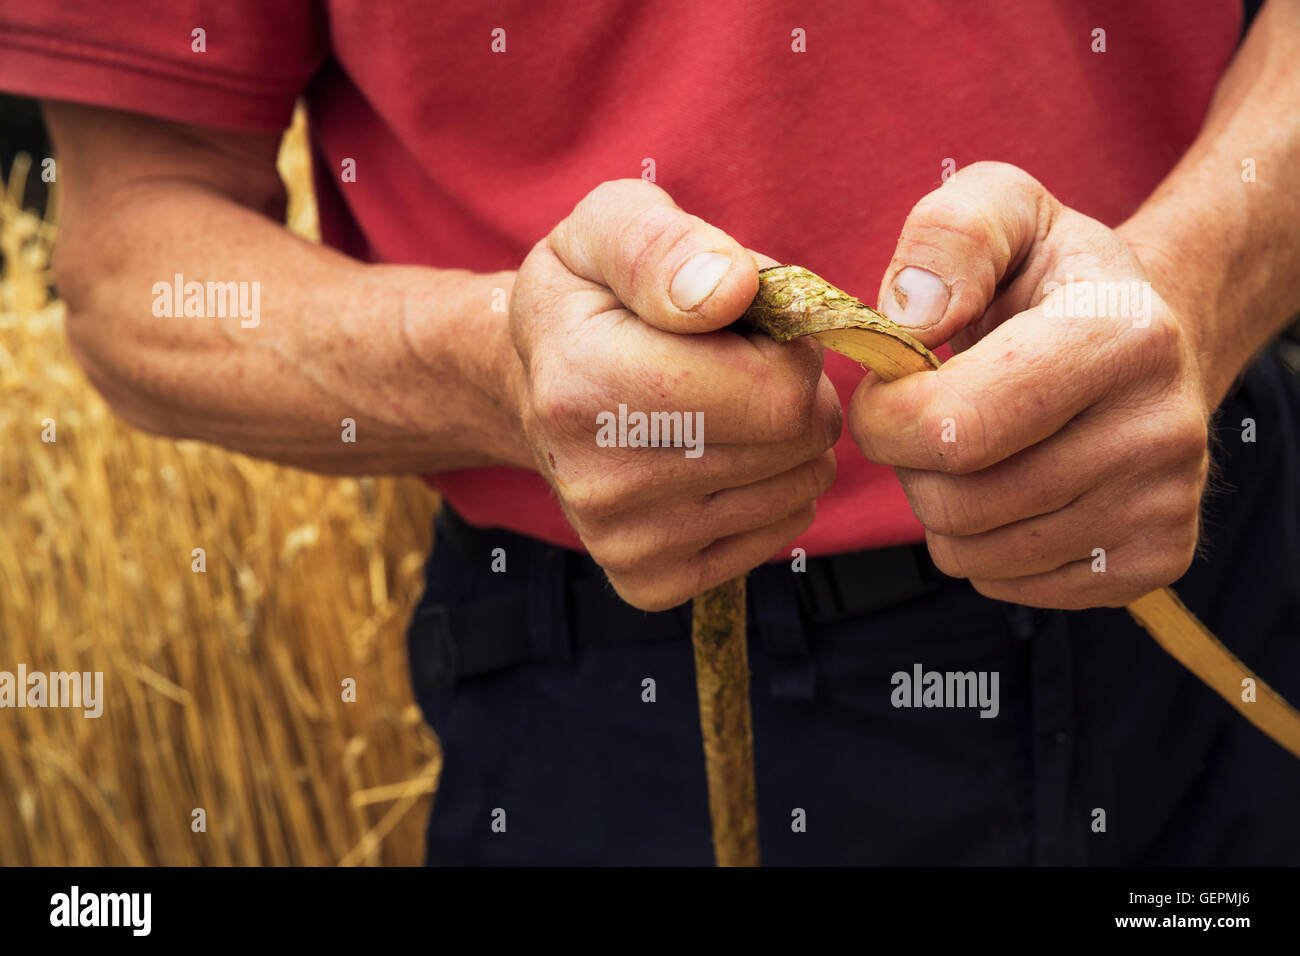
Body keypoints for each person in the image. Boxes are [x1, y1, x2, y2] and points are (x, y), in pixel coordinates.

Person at [2, 0, 1297, 865]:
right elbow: (131, 263)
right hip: (615, 689)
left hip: (1205, 552)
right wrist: (501, 365)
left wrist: (1189, 287)